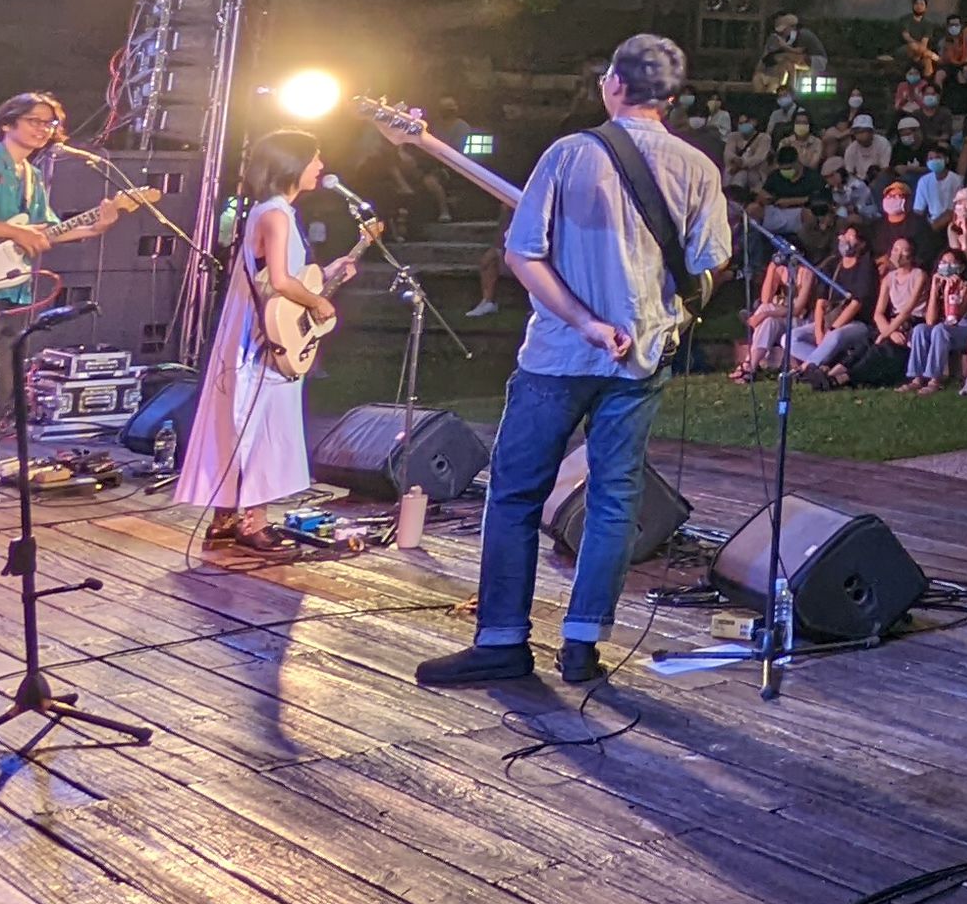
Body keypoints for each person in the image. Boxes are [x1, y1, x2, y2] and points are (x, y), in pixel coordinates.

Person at [422, 35, 731, 691]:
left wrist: (587, 321)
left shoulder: (569, 154)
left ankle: (503, 639)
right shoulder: (698, 168)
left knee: (514, 494)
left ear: (613, 82)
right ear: (672, 98)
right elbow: (712, 262)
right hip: (641, 358)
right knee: (614, 499)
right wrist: (666, 310)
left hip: (559, 355)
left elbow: (521, 254)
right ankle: (583, 645)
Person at [173, 129, 352, 559]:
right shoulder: (277, 214)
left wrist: (329, 275)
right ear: (292, 164)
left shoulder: (271, 212)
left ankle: (225, 521)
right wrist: (317, 302)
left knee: (242, 424)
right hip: (261, 339)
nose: (320, 167)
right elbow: (282, 281)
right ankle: (253, 524)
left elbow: (276, 278)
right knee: (264, 426)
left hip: (260, 329)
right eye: (314, 159)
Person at [0, 89, 147, 308]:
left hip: (6, 285)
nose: (43, 129)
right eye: (34, 121)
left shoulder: (32, 175)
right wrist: (16, 231)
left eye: (50, 124)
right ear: (6, 124)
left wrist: (94, 228)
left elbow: (46, 232)